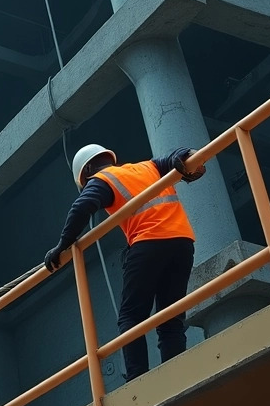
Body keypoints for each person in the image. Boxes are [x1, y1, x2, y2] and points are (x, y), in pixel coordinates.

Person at [44, 143, 207, 382]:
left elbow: (82, 206)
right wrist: (186, 154)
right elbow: (175, 156)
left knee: (131, 316)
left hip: (148, 242)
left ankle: (138, 380)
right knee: (170, 317)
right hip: (183, 243)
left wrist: (62, 245)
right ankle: (177, 375)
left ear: (88, 169)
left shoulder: (103, 178)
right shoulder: (146, 166)